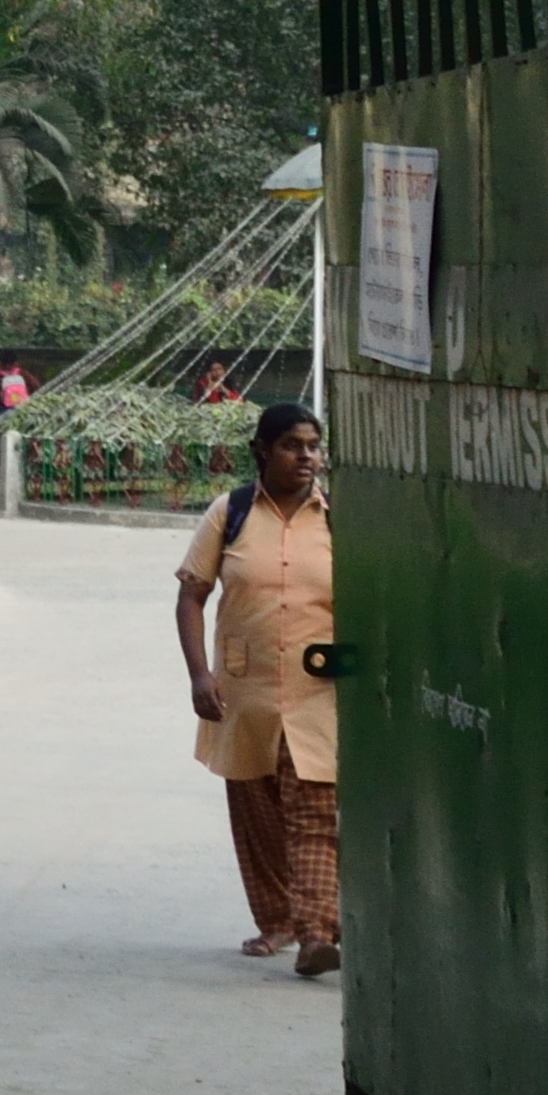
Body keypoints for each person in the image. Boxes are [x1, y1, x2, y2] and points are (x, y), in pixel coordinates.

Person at [173, 402, 340, 978]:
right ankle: (277, 923)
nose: (307, 457)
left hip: (318, 692)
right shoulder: (232, 512)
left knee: (315, 812)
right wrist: (200, 674)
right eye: (294, 445)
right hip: (243, 692)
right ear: (263, 450)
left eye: (314, 446)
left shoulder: (337, 516)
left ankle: (318, 931)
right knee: (257, 811)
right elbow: (191, 595)